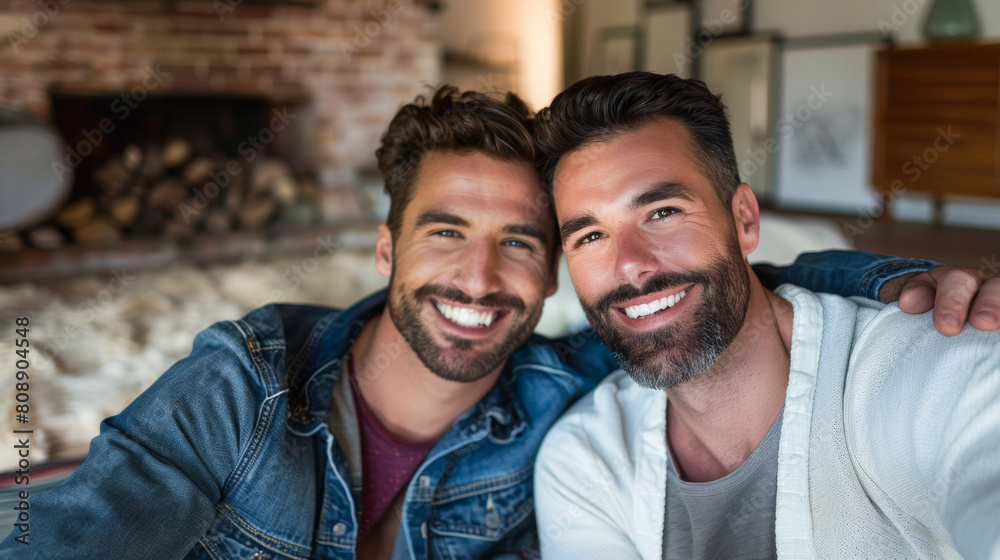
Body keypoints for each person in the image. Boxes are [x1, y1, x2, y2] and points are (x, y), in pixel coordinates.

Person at [2, 85, 991, 560]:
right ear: (384, 247)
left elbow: (704, 297)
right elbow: (75, 530)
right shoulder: (247, 384)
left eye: (524, 240)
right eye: (444, 232)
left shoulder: (564, 399)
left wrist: (889, 278)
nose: (479, 277)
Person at [532, 72, 1000, 559]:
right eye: (589, 237)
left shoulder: (930, 373)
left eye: (662, 212)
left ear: (744, 221)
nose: (629, 264)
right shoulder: (585, 459)